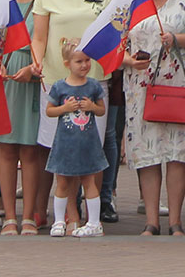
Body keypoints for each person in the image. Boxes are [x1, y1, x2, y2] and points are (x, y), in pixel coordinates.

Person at [121, 0, 185, 237]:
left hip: (177, 84)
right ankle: (151, 221)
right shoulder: (129, 1)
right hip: (140, 87)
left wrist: (178, 38)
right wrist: (128, 60)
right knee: (148, 155)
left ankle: (175, 221)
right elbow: (113, 43)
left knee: (177, 154)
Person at [29, 0, 115, 145]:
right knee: (57, 146)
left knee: (91, 146)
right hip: (56, 79)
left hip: (93, 77)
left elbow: (113, 34)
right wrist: (36, 62)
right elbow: (39, 38)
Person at [0, 0, 45, 235]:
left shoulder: (42, 1)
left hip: (31, 77)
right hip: (6, 79)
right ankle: (9, 216)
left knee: (29, 150)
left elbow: (46, 39)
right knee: (6, 149)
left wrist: (34, 68)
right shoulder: (0, 4)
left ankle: (29, 216)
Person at [45, 41, 109, 236]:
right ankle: (59, 221)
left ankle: (94, 222)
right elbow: (49, 111)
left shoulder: (93, 85)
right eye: (79, 61)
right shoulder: (59, 86)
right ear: (67, 64)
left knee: (89, 181)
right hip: (65, 144)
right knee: (62, 182)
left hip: (88, 144)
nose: (84, 65)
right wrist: (64, 108)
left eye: (87, 60)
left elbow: (101, 110)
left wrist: (92, 107)